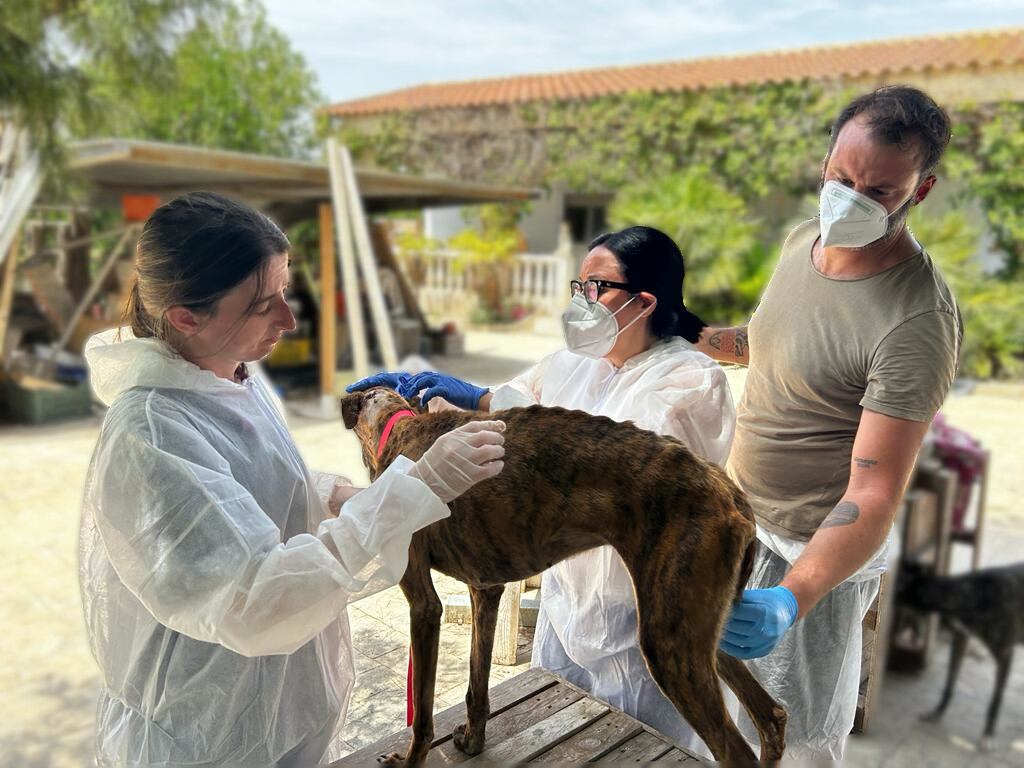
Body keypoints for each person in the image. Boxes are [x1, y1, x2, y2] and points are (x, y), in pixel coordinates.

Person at [79, 192, 507, 767]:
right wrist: (410, 491)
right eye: (263, 304)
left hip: (276, 711)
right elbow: (257, 601)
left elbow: (252, 477)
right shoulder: (149, 432)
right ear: (185, 317)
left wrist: (337, 495)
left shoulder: (223, 371)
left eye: (285, 290)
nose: (289, 318)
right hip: (210, 737)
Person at [350, 225, 736, 756]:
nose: (582, 303)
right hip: (565, 605)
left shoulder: (690, 381)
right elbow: (519, 400)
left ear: (644, 302)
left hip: (637, 617)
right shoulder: (573, 360)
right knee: (556, 740)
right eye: (578, 287)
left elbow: (612, 460)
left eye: (596, 288)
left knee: (640, 750)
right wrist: (463, 396)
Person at [698, 86, 962, 761]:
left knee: (797, 737)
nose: (848, 199)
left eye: (876, 191)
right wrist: (693, 335)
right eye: (840, 177)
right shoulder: (802, 241)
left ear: (920, 189)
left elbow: (874, 491)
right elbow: (769, 342)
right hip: (741, 521)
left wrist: (795, 595)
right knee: (719, 715)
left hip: (809, 553)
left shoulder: (916, 322)